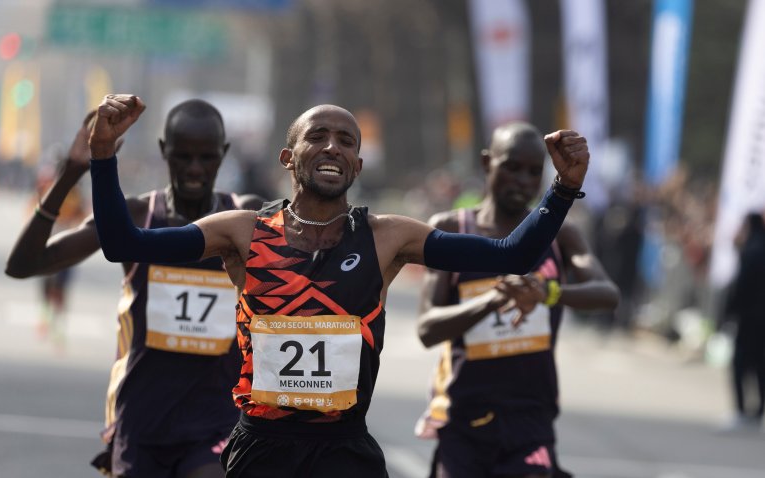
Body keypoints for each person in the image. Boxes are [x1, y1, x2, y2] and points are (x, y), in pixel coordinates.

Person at [88, 94, 590, 477]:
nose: (333, 146)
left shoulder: (388, 237)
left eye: (347, 141)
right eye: (318, 136)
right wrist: (103, 153)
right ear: (289, 157)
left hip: (345, 451)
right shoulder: (240, 231)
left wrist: (564, 189)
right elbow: (122, 242)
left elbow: (513, 256)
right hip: (260, 447)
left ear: (357, 165)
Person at [5, 101, 264, 478]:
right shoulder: (136, 217)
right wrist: (73, 171)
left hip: (215, 421)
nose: (194, 169)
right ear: (164, 151)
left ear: (223, 154)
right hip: (141, 422)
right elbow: (23, 265)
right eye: (183, 156)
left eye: (206, 157)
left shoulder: (244, 218)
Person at [413, 122, 620, 478]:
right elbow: (427, 328)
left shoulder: (561, 235)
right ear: (486, 163)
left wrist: (547, 292)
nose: (523, 180)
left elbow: (607, 294)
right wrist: (492, 300)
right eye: (511, 167)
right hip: (465, 422)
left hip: (530, 422)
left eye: (533, 172)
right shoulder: (451, 228)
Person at [30, 167, 87, 351]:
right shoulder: (47, 188)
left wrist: (73, 227)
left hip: (66, 245)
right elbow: (33, 208)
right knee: (47, 285)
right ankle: (45, 317)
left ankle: (58, 327)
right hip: (47, 243)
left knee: (61, 289)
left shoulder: (76, 193)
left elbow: (83, 216)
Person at [722, 211, 765, 432]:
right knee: (760, 367)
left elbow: (741, 288)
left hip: (750, 319)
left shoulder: (751, 251)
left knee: (740, 365)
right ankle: (758, 413)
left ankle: (741, 411)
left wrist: (728, 314)